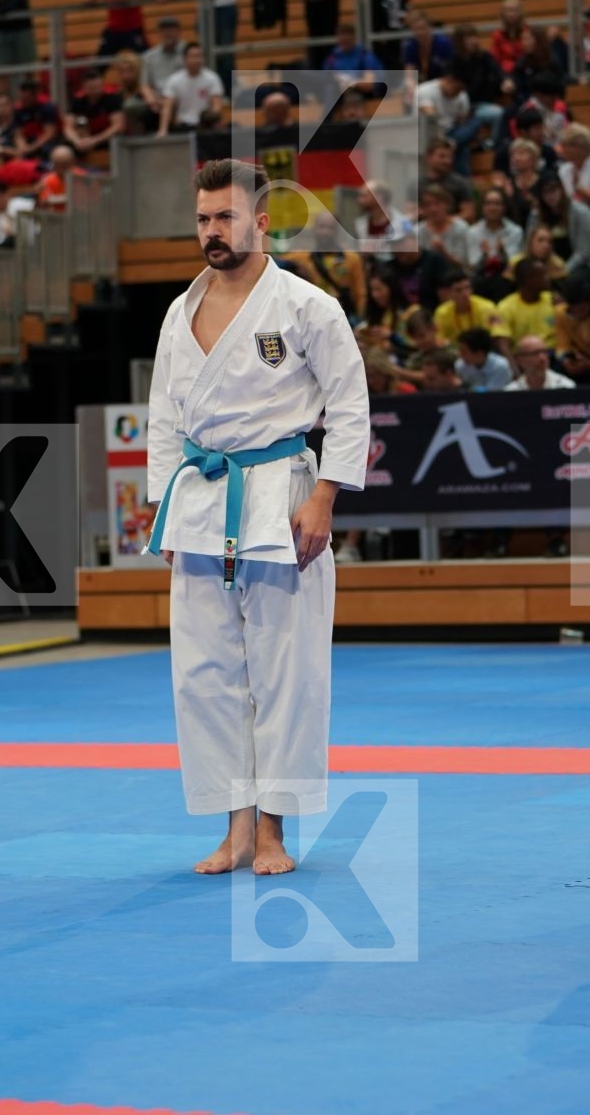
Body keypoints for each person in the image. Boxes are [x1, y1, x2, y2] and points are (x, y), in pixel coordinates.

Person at [145, 160, 369, 876]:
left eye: (227, 218)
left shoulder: (306, 306)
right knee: (204, 674)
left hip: (282, 495)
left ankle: (274, 831)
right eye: (204, 218)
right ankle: (235, 829)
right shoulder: (179, 313)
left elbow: (351, 403)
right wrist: (167, 511)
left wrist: (325, 497)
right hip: (202, 498)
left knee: (285, 671)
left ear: (261, 221)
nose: (213, 231)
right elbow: (161, 421)